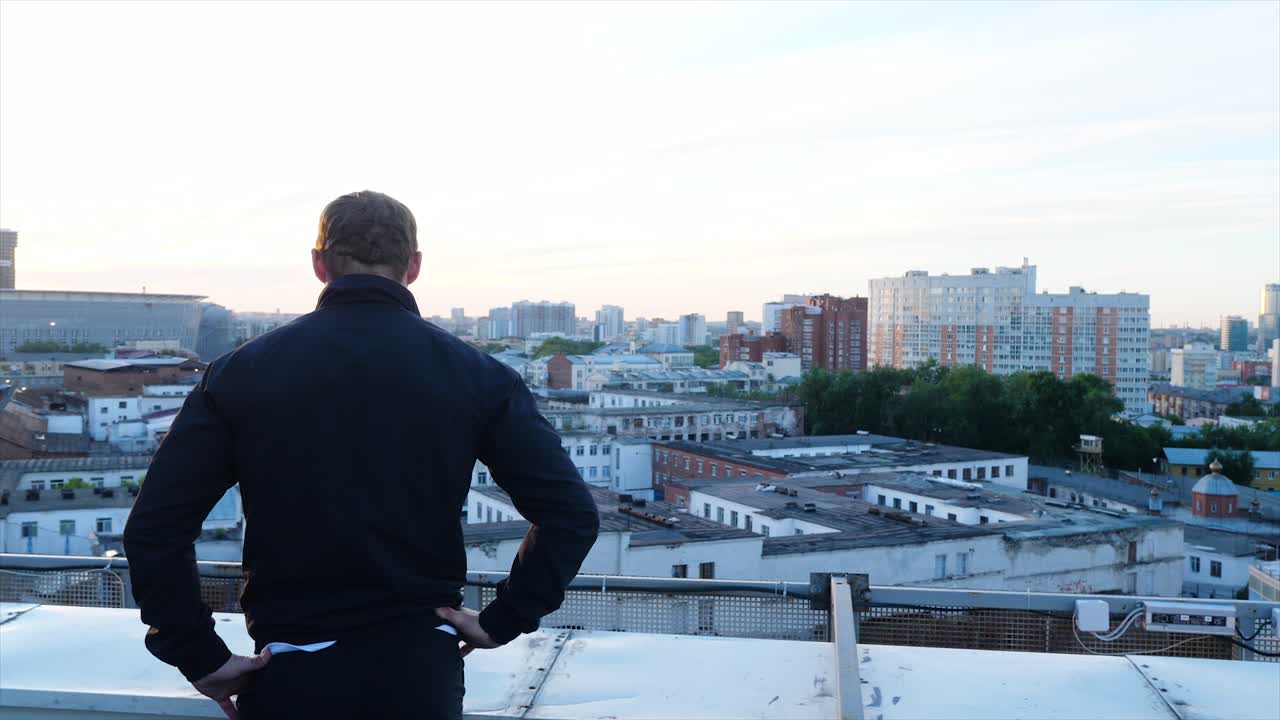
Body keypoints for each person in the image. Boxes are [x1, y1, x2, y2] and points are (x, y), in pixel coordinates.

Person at [123, 190, 600, 719]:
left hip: (290, 675)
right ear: (413, 266)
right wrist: (505, 616)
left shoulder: (240, 373)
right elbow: (569, 515)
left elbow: (156, 529)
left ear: (319, 264)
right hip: (419, 674)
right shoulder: (478, 376)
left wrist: (197, 653)